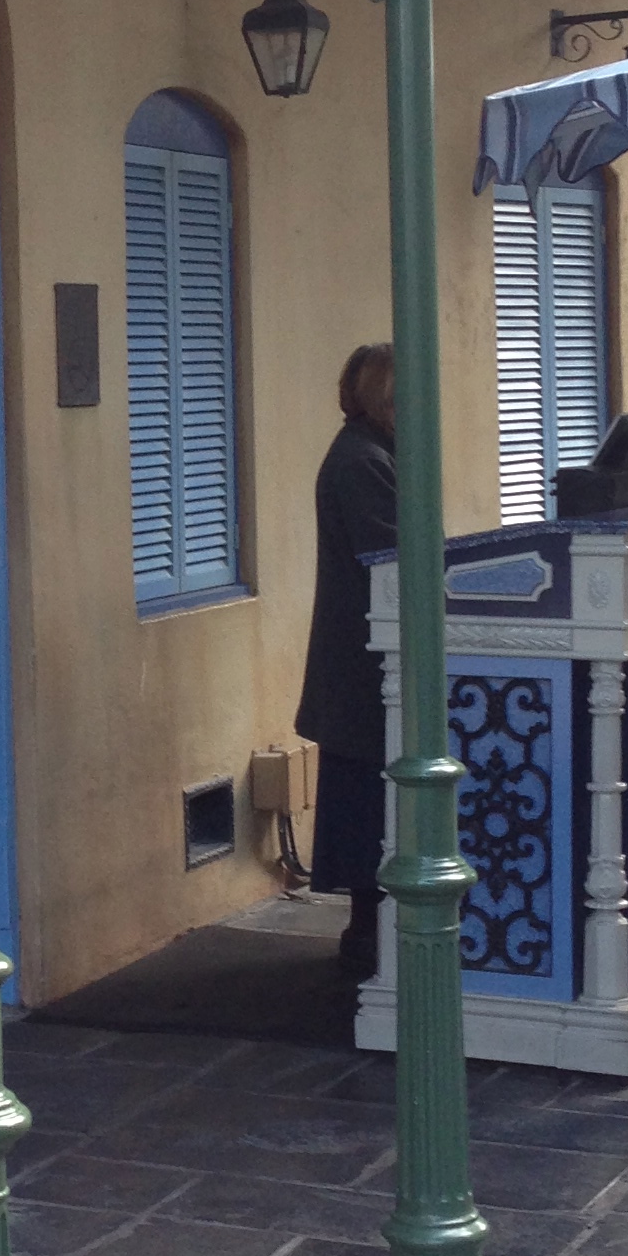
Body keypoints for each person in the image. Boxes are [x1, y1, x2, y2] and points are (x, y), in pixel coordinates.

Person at [295, 342, 398, 981]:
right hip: (364, 667)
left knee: (372, 804)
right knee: (367, 810)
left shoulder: (372, 453)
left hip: (366, 663)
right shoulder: (363, 462)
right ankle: (367, 942)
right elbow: (393, 557)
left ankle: (370, 936)